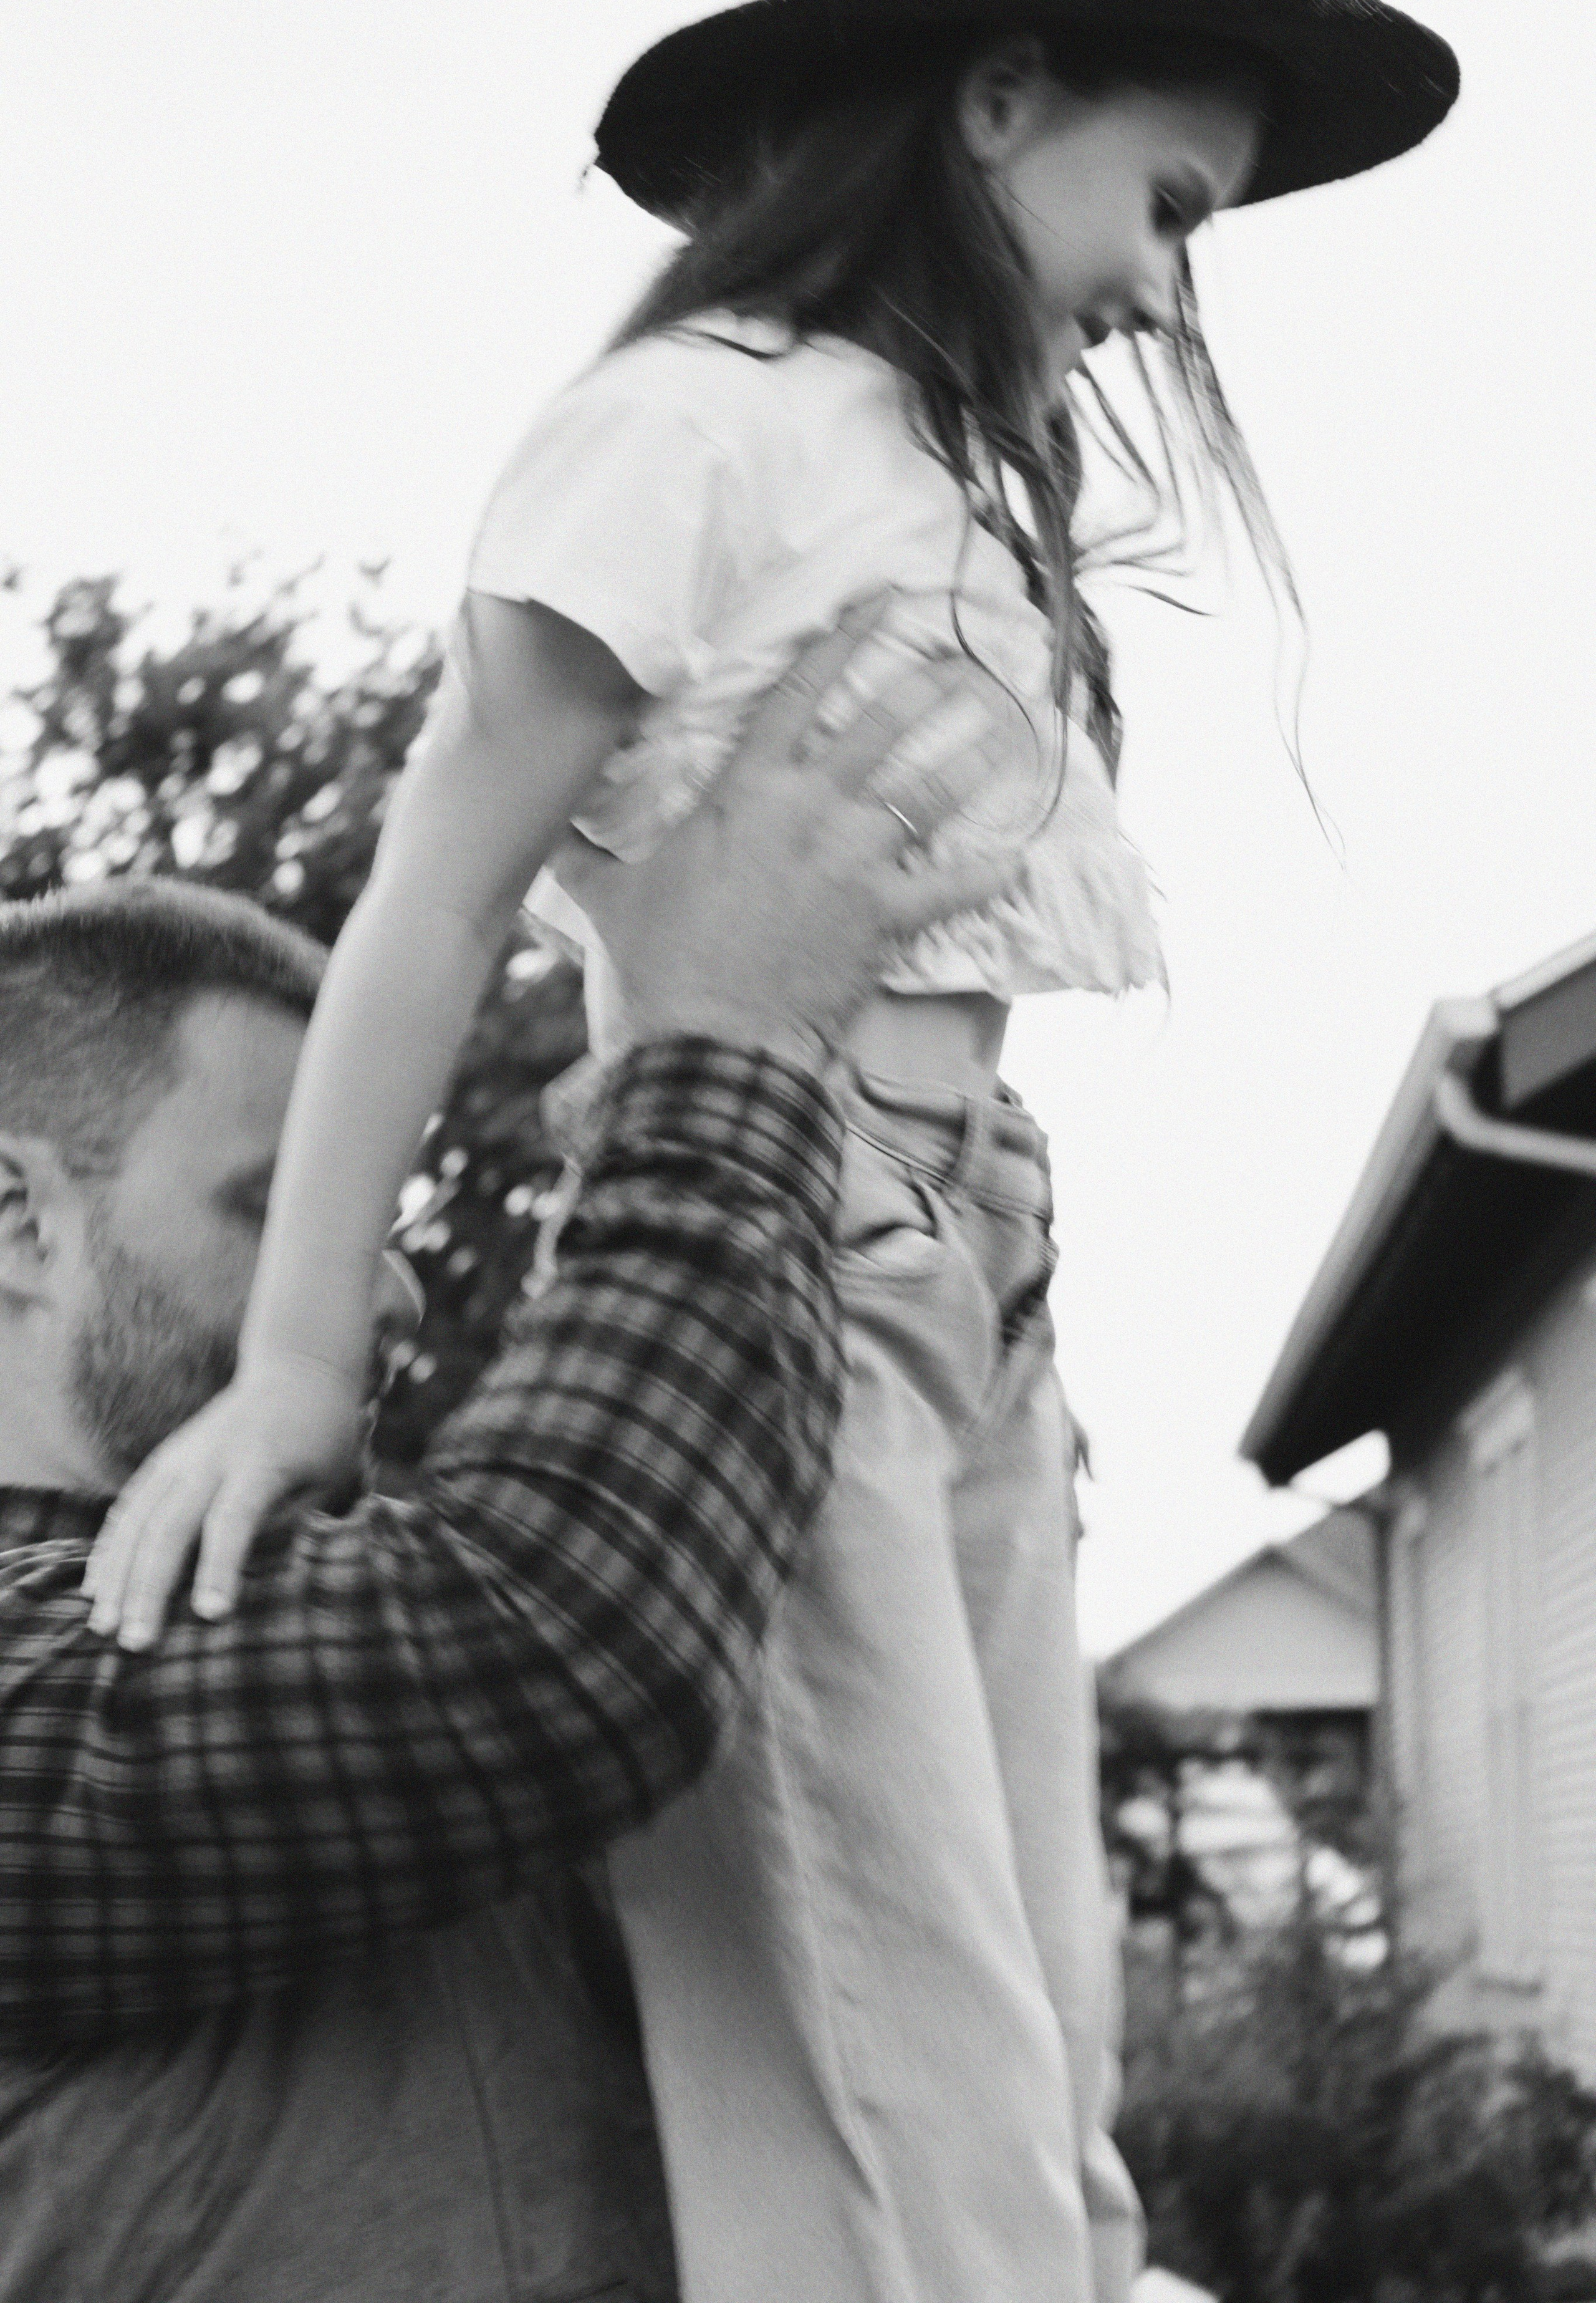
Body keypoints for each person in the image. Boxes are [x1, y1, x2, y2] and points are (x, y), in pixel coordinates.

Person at [86, 0, 1461, 2297]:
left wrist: (1000, 1274)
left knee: (1044, 2059)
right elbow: (430, 896)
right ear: (998, 95)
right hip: (782, 1246)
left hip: (976, 1260)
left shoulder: (945, 465)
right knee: (882, 2076)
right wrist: (302, 1371)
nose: (1166, 296)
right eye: (1175, 208)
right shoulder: (690, 426)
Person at [0, 629, 1009, 2301]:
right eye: (274, 1209)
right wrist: (726, 1045)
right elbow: (550, 1636)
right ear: (20, 1220)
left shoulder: (338, 1611)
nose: (374, 1287)